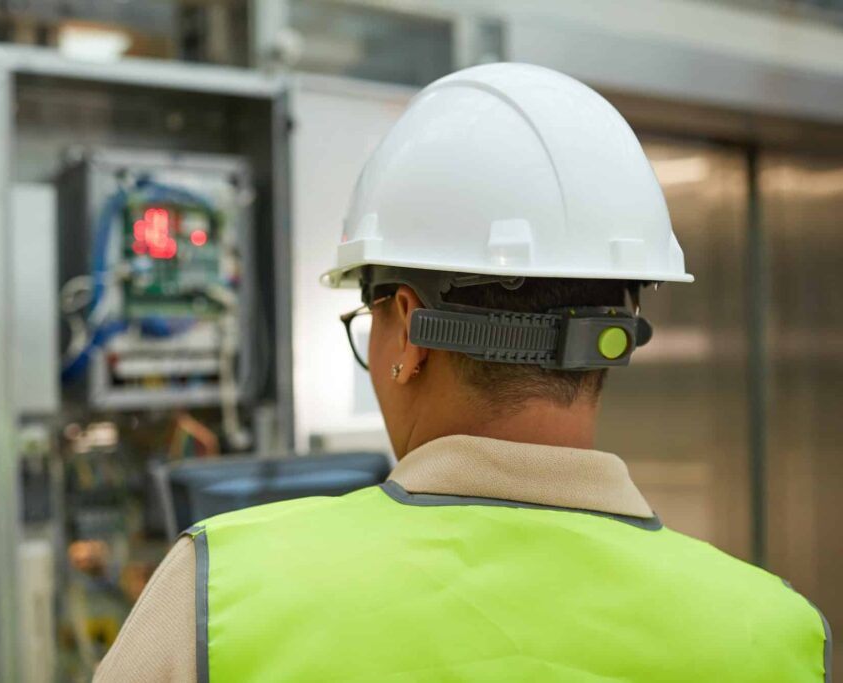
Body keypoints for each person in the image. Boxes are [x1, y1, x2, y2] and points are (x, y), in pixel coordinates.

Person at [96, 63, 830, 682]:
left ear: (410, 330)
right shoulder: (775, 634)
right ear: (615, 331)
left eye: (369, 313)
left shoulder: (215, 594)